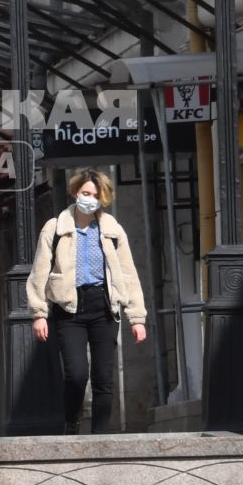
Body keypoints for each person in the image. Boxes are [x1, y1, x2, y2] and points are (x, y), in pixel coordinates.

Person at [25, 168, 148, 434]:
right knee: (77, 374)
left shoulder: (112, 230)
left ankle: (100, 436)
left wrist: (137, 318)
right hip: (69, 310)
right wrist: (39, 314)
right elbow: (39, 271)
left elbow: (128, 274)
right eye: (85, 193)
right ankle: (72, 423)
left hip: (103, 308)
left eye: (96, 195)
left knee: (104, 379)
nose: (90, 199)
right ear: (74, 192)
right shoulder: (55, 227)